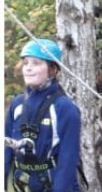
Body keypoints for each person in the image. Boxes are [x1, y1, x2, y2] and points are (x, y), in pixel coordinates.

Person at [5, 39, 82, 192]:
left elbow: (68, 159)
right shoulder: (17, 104)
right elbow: (5, 149)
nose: (28, 68)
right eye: (25, 63)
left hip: (55, 184)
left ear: (52, 69)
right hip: (23, 184)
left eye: (36, 63)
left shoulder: (64, 108)